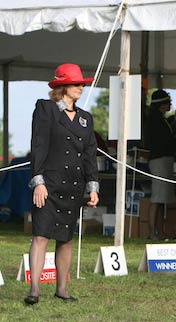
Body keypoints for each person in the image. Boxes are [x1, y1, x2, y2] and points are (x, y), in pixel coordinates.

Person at [25, 63, 99, 305]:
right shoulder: (46, 109)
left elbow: (90, 154)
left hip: (73, 187)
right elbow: (38, 146)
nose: (81, 87)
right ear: (62, 86)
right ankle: (34, 290)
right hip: (49, 184)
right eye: (76, 83)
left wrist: (93, 186)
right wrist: (39, 182)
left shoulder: (86, 119)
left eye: (82, 84)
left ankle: (62, 290)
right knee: (41, 235)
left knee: (65, 238)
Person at [147, 89, 176, 239]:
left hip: (164, 160)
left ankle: (160, 231)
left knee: (162, 198)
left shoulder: (161, 119)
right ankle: (152, 232)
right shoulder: (155, 120)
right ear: (162, 104)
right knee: (157, 197)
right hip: (159, 159)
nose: (170, 104)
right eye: (168, 102)